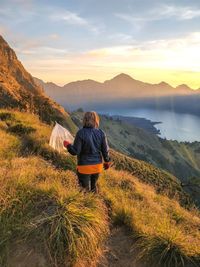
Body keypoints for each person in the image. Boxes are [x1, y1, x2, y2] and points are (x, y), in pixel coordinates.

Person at [63, 111, 111, 193]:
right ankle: (95, 203)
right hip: (97, 166)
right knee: (94, 187)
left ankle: (85, 205)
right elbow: (105, 151)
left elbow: (75, 152)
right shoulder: (101, 133)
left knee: (84, 190)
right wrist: (107, 162)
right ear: (96, 120)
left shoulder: (80, 133)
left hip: (84, 167)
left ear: (84, 120)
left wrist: (67, 145)